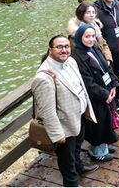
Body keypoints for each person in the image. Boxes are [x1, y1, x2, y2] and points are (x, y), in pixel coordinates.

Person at [32, 35, 97, 187]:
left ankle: (79, 168)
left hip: (77, 115)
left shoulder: (71, 61)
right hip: (63, 124)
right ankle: (71, 183)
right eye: (59, 47)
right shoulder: (43, 77)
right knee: (66, 158)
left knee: (77, 147)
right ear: (50, 50)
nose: (64, 50)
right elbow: (46, 111)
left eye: (67, 46)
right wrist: (57, 134)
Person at [71, 24, 119, 162]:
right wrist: (105, 95)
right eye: (87, 37)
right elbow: (88, 83)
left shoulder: (95, 48)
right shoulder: (77, 57)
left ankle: (105, 144)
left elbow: (106, 66)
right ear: (80, 38)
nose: (91, 39)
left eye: (92, 36)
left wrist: (113, 85)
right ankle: (98, 152)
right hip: (95, 97)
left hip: (107, 89)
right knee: (98, 123)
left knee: (107, 119)